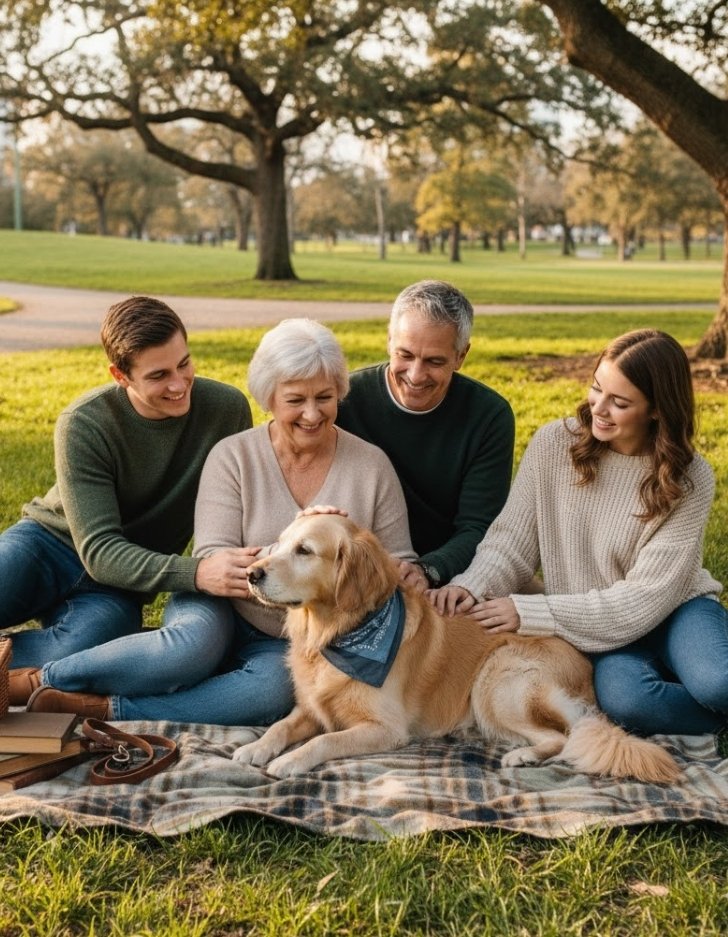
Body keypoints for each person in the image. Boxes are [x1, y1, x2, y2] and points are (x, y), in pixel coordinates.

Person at [23, 319, 416, 725]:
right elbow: (213, 556)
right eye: (296, 399)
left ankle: (104, 709)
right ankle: (38, 681)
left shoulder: (372, 467)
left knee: (271, 695)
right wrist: (298, 549)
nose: (313, 414)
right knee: (188, 649)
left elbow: (397, 563)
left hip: (293, 636)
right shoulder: (233, 456)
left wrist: (405, 574)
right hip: (218, 603)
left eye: (325, 397)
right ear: (269, 398)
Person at [432, 329, 728, 737]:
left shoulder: (691, 477)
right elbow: (511, 542)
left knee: (719, 684)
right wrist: (472, 586)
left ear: (657, 409)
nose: (599, 409)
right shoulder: (555, 444)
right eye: (596, 389)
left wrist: (533, 612)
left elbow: (644, 599)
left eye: (619, 402)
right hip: (598, 630)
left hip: (676, 611)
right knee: (628, 703)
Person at [3, 296, 252, 681]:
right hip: (47, 546)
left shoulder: (226, 410)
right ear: (120, 376)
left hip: (120, 586)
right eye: (158, 376)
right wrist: (198, 572)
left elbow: (245, 499)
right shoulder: (85, 423)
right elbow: (99, 550)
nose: (178, 384)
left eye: (184, 364)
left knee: (75, 654)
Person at [336, 279, 514, 593]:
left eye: (434, 361)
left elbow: (479, 526)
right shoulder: (344, 401)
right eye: (405, 354)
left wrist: (429, 569)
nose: (416, 375)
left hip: (448, 574)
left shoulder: (489, 416)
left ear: (461, 356)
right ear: (389, 340)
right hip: (355, 570)